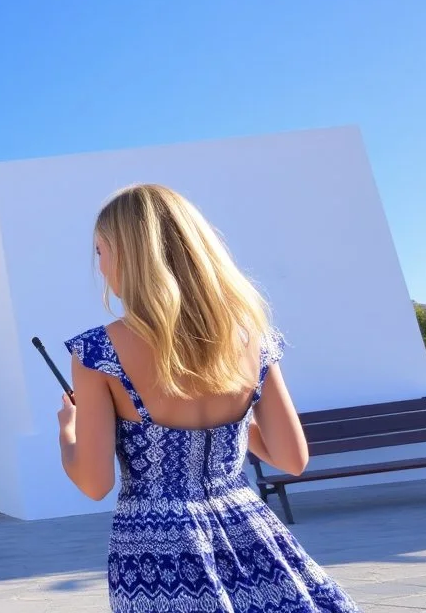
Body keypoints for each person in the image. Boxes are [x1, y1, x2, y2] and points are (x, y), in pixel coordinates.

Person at [57, 183, 359, 612]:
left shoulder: (98, 353)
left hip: (154, 552)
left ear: (126, 254)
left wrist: (67, 432)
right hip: (249, 531)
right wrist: (232, 418)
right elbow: (293, 459)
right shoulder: (254, 337)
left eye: (100, 251)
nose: (100, 266)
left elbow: (94, 483)